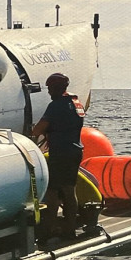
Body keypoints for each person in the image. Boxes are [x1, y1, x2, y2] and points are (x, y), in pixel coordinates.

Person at [30, 72, 85, 244]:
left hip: (60, 153)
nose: (48, 92)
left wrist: (34, 131)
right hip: (75, 151)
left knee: (52, 191)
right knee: (70, 190)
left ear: (55, 88)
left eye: (50, 88)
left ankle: (50, 229)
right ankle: (70, 229)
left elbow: (38, 130)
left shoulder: (55, 106)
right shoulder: (76, 104)